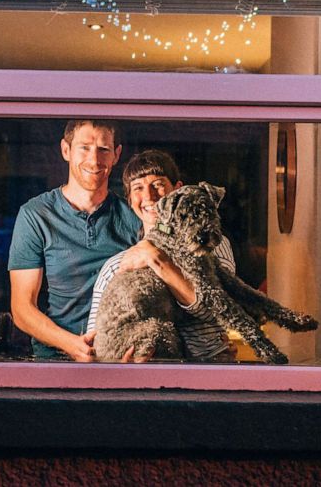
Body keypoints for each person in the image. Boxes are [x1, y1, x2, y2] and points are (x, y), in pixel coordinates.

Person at [7, 120, 141, 361]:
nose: (94, 160)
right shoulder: (36, 215)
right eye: (85, 148)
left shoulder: (133, 215)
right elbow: (22, 308)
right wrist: (72, 345)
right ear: (66, 150)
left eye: (103, 149)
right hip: (56, 358)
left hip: (120, 360)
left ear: (116, 155)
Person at [86, 149, 238, 361]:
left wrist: (156, 259)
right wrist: (118, 365)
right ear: (130, 200)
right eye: (138, 188)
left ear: (178, 189)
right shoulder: (117, 266)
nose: (149, 196)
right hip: (141, 378)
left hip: (207, 370)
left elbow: (219, 310)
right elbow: (96, 341)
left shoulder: (211, 245)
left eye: (158, 184)